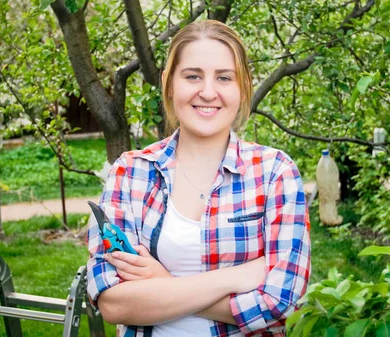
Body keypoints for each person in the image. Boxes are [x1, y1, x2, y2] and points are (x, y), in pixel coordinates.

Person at [86, 20, 311, 337]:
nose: (208, 92)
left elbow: (283, 303)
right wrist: (234, 278)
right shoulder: (131, 171)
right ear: (169, 83)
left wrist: (163, 284)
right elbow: (113, 303)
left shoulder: (274, 172)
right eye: (193, 76)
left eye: (223, 77)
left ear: (243, 85)